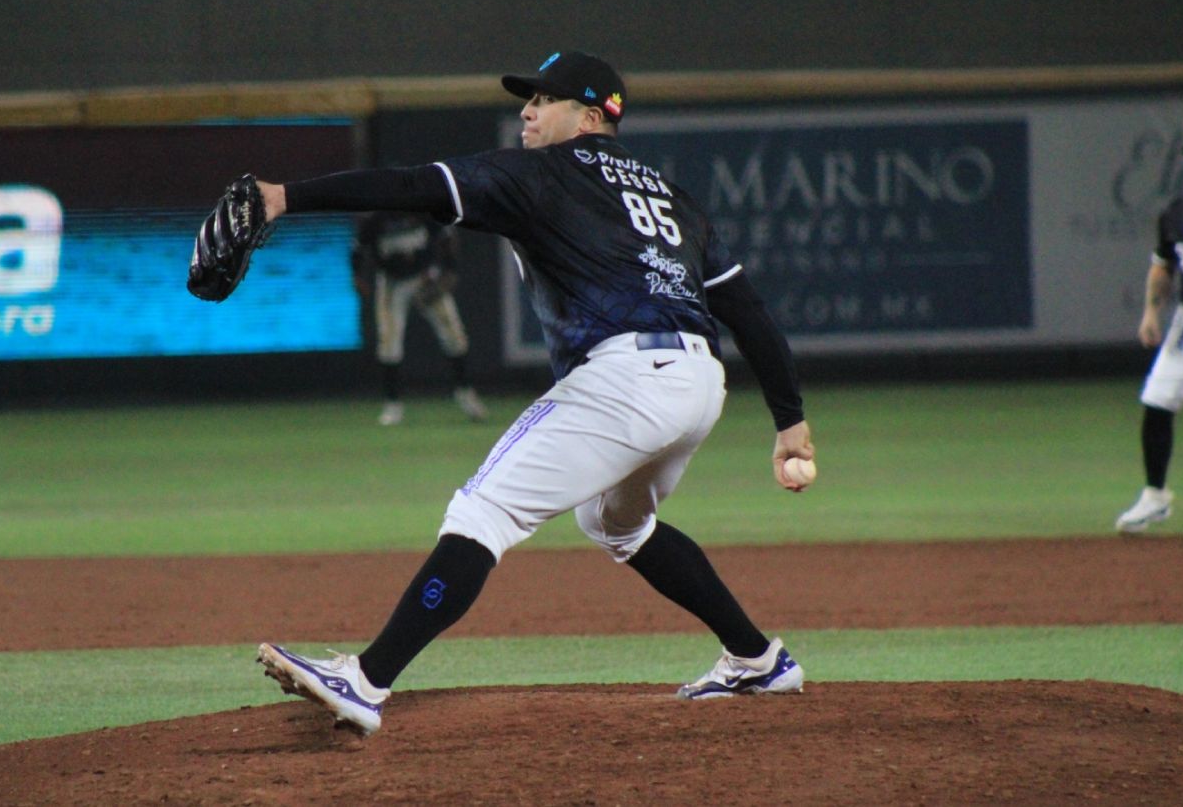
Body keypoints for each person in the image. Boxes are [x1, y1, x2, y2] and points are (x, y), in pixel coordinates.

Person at [252, 50, 816, 736]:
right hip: (700, 381)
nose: (527, 111)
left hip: (626, 377)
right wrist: (790, 419)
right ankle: (757, 658)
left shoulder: (542, 172)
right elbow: (747, 311)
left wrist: (284, 197)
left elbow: (412, 186)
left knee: (482, 511)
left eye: (544, 100)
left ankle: (366, 679)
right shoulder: (672, 198)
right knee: (618, 524)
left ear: (590, 117)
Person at [1115, 122, 1183, 534]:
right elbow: (1163, 266)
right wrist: (1151, 313)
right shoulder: (1176, 213)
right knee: (1157, 401)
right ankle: (1155, 497)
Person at [351, 211, 488, 425]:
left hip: (425, 278)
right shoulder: (375, 215)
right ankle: (393, 403)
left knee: (454, 335)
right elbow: (358, 247)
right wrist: (357, 275)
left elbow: (446, 235)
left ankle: (465, 393)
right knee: (389, 342)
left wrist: (449, 269)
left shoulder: (419, 205)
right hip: (392, 281)